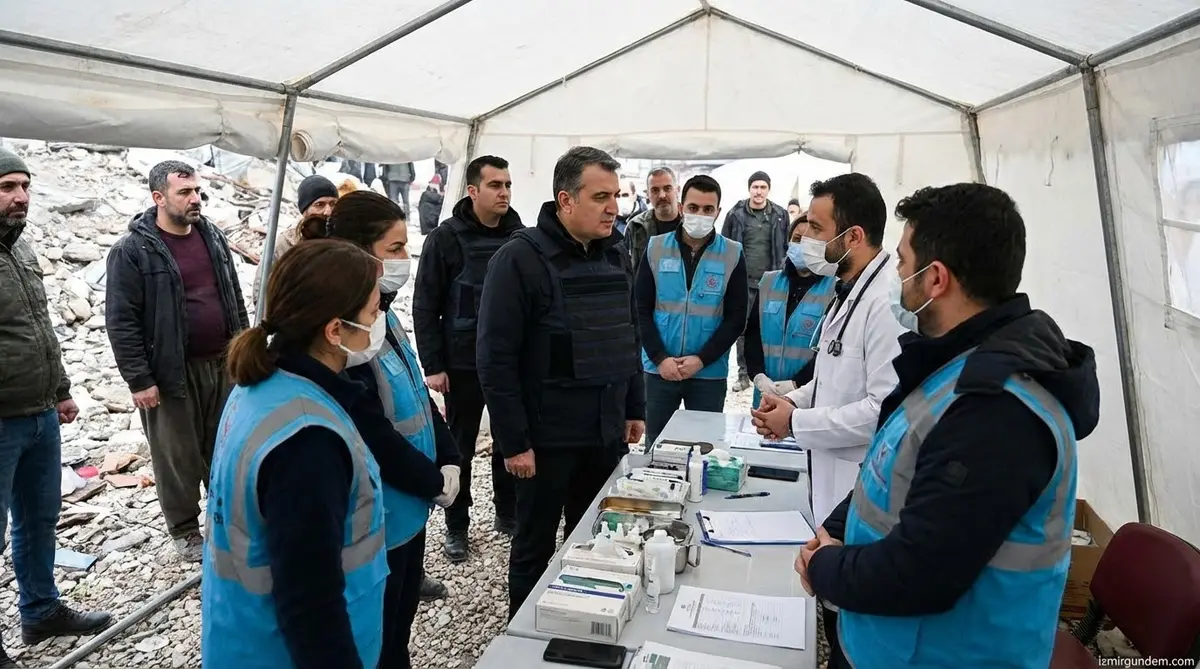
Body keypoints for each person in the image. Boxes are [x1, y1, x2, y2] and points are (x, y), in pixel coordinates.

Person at [798, 183, 1099, 668]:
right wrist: (833, 528)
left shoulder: (999, 414)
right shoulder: (954, 362)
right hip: (886, 643)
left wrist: (825, 566)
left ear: (935, 279)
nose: (897, 276)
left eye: (901, 261)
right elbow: (896, 463)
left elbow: (921, 572)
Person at [202, 239, 389, 669]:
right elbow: (310, 604)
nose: (380, 319)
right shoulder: (307, 439)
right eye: (374, 310)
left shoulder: (261, 386)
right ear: (334, 329)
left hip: (242, 635)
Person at [477, 146, 645, 618]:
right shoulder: (519, 260)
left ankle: (581, 627)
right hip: (546, 441)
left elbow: (628, 333)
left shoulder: (617, 253)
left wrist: (635, 406)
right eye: (600, 197)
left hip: (604, 433)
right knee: (534, 549)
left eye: (616, 195)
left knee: (595, 543)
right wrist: (513, 442)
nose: (614, 207)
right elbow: (495, 358)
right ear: (565, 201)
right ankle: (524, 640)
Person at [300, 191, 462, 667]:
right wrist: (433, 480)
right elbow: (370, 427)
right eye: (394, 249)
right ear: (356, 250)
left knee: (400, 624)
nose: (404, 260)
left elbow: (414, 392)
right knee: (379, 635)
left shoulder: (381, 315)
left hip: (410, 507)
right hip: (379, 513)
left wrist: (448, 455)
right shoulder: (343, 335)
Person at [750, 173, 905, 667]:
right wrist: (793, 401)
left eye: (816, 227)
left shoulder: (884, 304)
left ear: (852, 236)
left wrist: (795, 425)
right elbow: (835, 373)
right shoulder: (849, 289)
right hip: (830, 488)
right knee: (833, 614)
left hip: (858, 490)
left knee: (850, 638)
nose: (805, 238)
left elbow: (884, 410)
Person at [0, 147, 111, 668]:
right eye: (7, 187)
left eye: (24, 186)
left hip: (40, 411)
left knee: (40, 518)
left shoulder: (20, 250)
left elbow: (39, 326)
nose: (20, 197)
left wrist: (62, 389)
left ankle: (41, 610)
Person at [106, 160, 250, 561]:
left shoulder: (212, 237)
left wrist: (245, 349)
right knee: (176, 455)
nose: (195, 199)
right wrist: (139, 379)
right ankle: (185, 529)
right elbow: (121, 320)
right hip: (171, 373)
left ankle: (228, 519)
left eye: (198, 191)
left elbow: (233, 296)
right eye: (185, 192)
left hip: (222, 365)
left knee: (227, 445)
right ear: (158, 197)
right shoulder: (133, 250)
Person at [413, 155, 522, 562]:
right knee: (458, 448)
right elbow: (426, 306)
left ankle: (507, 514)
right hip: (461, 364)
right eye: (495, 185)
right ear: (473, 190)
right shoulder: (445, 239)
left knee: (510, 438)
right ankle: (457, 526)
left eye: (508, 185)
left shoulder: (519, 238)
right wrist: (434, 365)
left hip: (508, 362)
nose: (504, 193)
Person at [636, 175, 747, 446]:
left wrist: (701, 359)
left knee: (705, 448)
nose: (700, 214)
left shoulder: (733, 253)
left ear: (718, 212)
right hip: (660, 370)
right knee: (658, 446)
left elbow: (736, 318)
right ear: (682, 207)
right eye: (694, 207)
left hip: (707, 373)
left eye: (708, 209)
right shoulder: (656, 247)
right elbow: (639, 308)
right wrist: (660, 358)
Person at [745, 215, 836, 409]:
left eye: (808, 240)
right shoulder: (769, 282)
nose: (801, 245)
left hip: (807, 397)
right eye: (796, 239)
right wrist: (758, 375)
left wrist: (797, 383)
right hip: (765, 393)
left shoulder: (834, 289)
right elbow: (753, 334)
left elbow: (830, 350)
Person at [722, 170, 791, 391]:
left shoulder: (780, 215)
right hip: (742, 281)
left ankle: (766, 372)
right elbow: (724, 244)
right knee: (741, 328)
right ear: (749, 188)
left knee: (769, 327)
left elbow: (786, 246)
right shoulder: (736, 213)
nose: (758, 191)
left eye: (763, 187)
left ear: (768, 189)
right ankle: (743, 374)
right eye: (755, 187)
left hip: (771, 283)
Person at [253, 174, 339, 304]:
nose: (328, 211)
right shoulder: (286, 243)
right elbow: (263, 288)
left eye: (333, 204)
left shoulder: (344, 240)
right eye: (320, 204)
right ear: (304, 210)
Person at [625, 167, 681, 275]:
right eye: (655, 190)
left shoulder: (690, 224)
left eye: (667, 188)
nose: (661, 195)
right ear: (647, 194)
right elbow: (627, 271)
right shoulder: (636, 227)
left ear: (677, 190)